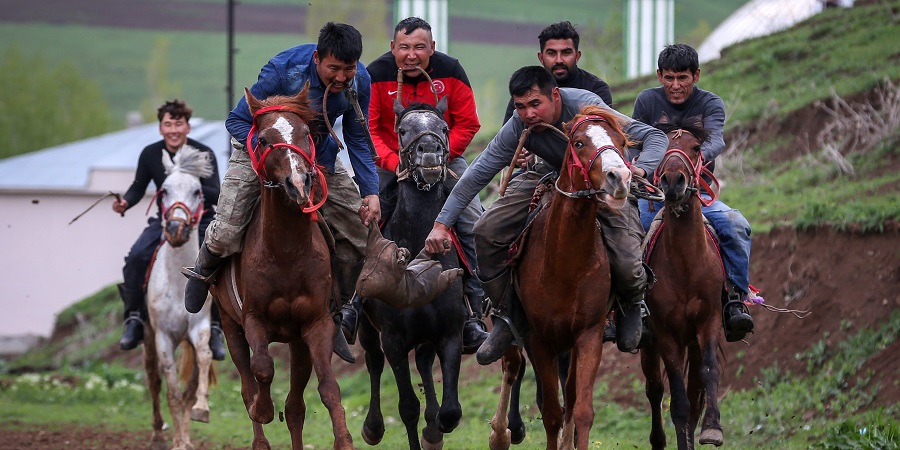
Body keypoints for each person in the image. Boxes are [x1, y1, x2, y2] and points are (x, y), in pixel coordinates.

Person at [426, 66, 669, 365]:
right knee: (485, 231)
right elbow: (478, 173)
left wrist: (639, 168)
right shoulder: (518, 125)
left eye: (535, 104)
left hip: (602, 179)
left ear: (555, 96)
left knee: (629, 263)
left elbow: (655, 137)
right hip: (547, 175)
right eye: (520, 106)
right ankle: (508, 314)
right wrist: (441, 224)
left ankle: (631, 305)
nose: (528, 114)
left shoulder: (587, 108)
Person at [181, 22, 381, 364]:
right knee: (228, 227)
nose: (341, 77)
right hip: (260, 150)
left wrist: (371, 191)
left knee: (363, 237)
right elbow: (237, 121)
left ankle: (339, 312)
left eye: (348, 70)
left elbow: (359, 138)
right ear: (317, 58)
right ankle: (203, 270)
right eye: (333, 69)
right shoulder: (282, 70)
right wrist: (268, 154)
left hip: (316, 158)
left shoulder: (359, 81)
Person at [340, 16, 488, 352]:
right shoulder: (374, 75)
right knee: (361, 224)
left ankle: (475, 316)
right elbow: (369, 129)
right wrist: (395, 162)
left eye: (419, 47)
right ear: (393, 48)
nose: (411, 54)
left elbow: (468, 122)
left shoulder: (451, 71)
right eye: (404, 47)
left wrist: (441, 155)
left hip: (445, 161)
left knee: (474, 223)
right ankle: (352, 306)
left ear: (431, 48)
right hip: (391, 164)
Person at [632, 43, 754, 341]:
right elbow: (633, 142)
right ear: (660, 76)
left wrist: (691, 154)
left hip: (698, 194)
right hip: (652, 196)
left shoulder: (710, 104)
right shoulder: (646, 102)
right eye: (670, 78)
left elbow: (715, 141)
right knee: (632, 239)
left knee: (736, 225)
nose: (676, 85)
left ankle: (735, 299)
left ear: (696, 75)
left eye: (683, 78)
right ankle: (633, 309)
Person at [113, 99, 227, 360]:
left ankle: (216, 327)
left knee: (221, 263)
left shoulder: (203, 154)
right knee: (136, 258)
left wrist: (190, 181)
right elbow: (138, 187)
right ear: (160, 128)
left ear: (188, 127)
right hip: (166, 221)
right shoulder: (150, 154)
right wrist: (125, 203)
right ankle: (134, 318)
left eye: (179, 124)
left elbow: (215, 192)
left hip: (201, 221)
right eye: (168, 124)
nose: (173, 130)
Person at [502, 20, 613, 124]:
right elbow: (509, 139)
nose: (559, 60)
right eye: (551, 53)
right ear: (541, 58)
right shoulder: (526, 91)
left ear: (577, 56)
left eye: (566, 52)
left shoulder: (596, 90)